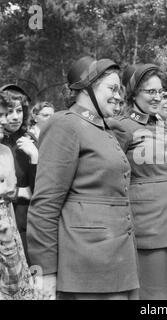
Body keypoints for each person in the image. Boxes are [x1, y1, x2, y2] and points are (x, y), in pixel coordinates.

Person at [27, 56, 139, 300]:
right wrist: (45, 271)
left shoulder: (103, 129)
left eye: (119, 89)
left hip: (116, 258)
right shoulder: (64, 124)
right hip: (86, 264)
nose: (119, 96)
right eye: (112, 88)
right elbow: (45, 204)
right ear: (87, 87)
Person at [109, 64, 167, 300]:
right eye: (150, 92)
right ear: (133, 93)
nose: (157, 98)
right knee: (153, 297)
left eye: (160, 92)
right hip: (148, 227)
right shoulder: (121, 126)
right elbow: (114, 179)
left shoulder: (162, 124)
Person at [0, 93, 41, 300]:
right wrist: (18, 193)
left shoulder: (30, 140)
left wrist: (35, 157)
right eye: (8, 112)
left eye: (19, 111)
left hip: (28, 223)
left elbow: (40, 189)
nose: (14, 117)